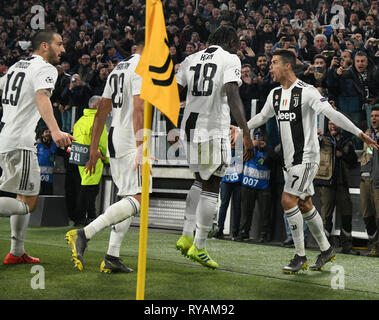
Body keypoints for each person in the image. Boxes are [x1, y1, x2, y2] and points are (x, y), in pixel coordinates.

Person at [246, 49, 378, 274]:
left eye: (275, 62)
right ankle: (326, 250)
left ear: (288, 65)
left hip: (306, 158)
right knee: (305, 203)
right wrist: (241, 129)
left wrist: (359, 132)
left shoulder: (306, 92)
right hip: (290, 161)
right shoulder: (275, 94)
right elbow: (262, 117)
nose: (270, 67)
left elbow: (331, 113)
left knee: (288, 200)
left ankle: (300, 255)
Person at [65, 29, 147, 274]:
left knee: (128, 198)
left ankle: (112, 256)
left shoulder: (117, 69)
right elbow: (139, 109)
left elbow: (101, 110)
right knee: (139, 199)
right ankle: (84, 233)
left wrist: (93, 150)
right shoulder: (143, 67)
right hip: (132, 138)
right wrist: (142, 144)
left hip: (115, 137)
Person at [175, 25, 254, 269]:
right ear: (231, 42)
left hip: (188, 127)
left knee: (199, 180)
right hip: (211, 127)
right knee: (212, 185)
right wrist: (245, 131)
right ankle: (199, 246)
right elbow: (232, 94)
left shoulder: (190, 58)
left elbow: (174, 93)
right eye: (237, 44)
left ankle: (186, 234)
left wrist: (171, 125)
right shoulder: (230, 58)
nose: (238, 48)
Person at [0, 29, 74, 264]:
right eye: (59, 44)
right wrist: (55, 130)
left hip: (7, 138)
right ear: (44, 46)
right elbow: (42, 96)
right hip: (21, 142)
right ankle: (17, 252)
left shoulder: (16, 66)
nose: (63, 49)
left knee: (22, 195)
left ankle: (17, 252)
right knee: (29, 203)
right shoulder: (45, 68)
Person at [314, 120, 358, 254]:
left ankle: (346, 246)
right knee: (325, 217)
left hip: (342, 183)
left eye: (335, 124)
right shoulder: (323, 139)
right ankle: (324, 247)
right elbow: (311, 149)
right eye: (330, 124)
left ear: (341, 125)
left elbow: (354, 160)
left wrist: (342, 155)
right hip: (326, 184)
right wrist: (314, 137)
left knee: (346, 215)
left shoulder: (347, 140)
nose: (332, 126)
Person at [71, 95, 109, 226]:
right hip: (93, 158)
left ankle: (83, 216)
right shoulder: (98, 121)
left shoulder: (80, 120)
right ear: (97, 106)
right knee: (91, 190)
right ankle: (87, 216)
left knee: (84, 188)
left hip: (79, 157)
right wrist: (107, 159)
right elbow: (103, 143)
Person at [237, 128, 279, 243]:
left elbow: (275, 158)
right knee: (246, 212)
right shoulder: (248, 147)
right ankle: (243, 233)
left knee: (265, 213)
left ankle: (264, 235)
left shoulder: (268, 149)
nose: (258, 138)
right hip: (248, 185)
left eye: (260, 136)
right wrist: (251, 145)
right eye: (256, 136)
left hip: (263, 186)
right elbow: (238, 155)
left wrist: (265, 147)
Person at [360, 106, 379, 257]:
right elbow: (367, 155)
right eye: (372, 116)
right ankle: (373, 244)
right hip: (365, 179)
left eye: (377, 116)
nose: (374, 118)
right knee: (367, 214)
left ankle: (377, 246)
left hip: (378, 180)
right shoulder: (367, 133)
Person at [36, 127, 58, 195]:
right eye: (46, 132)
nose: (48, 133)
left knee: (48, 195)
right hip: (38, 177)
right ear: (42, 134)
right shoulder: (37, 145)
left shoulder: (54, 144)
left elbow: (65, 149)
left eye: (49, 132)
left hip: (49, 178)